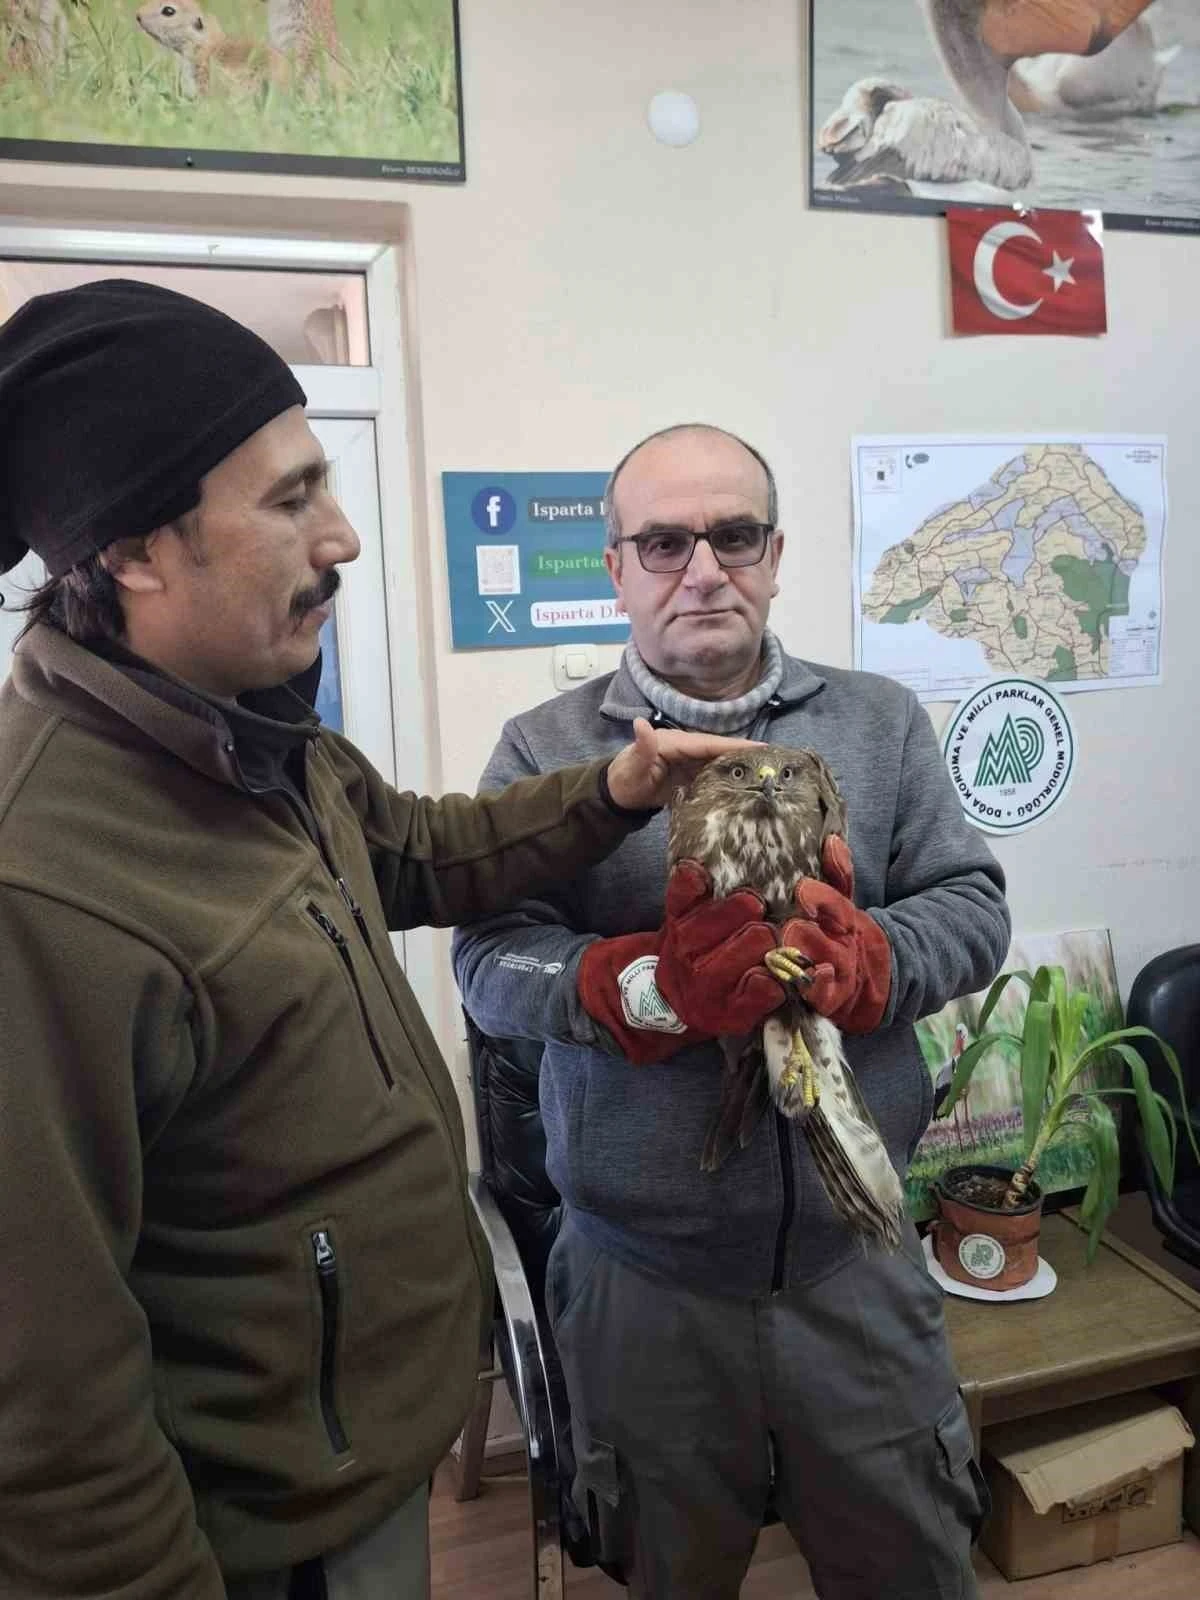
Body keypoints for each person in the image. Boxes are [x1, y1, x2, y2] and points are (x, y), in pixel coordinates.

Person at [0, 288, 759, 1600]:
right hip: (250, 1537)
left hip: (358, 1454)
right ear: (133, 549)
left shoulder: (250, 736)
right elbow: (43, 1393)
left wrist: (613, 792)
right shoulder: (43, 885)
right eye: (290, 500)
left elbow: (414, 848)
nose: (342, 535)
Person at [452, 422, 1012, 1599]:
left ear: (772, 554)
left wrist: (873, 962)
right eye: (663, 541)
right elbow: (490, 960)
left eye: (733, 535)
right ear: (616, 566)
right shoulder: (546, 750)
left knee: (912, 1567)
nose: (701, 568)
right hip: (641, 1284)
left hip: (854, 1264)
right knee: (672, 1574)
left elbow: (973, 904)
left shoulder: (879, 721)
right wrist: (642, 988)